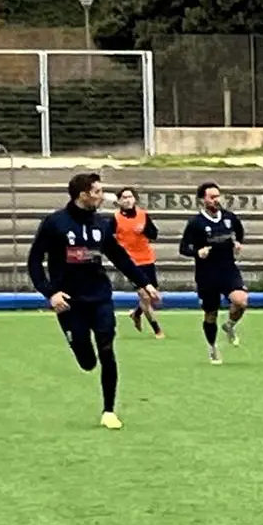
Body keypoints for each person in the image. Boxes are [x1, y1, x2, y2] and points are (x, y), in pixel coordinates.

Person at [27, 172, 159, 430]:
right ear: (83, 194)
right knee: (87, 361)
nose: (102, 196)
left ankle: (109, 410)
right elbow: (34, 261)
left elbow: (119, 257)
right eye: (97, 192)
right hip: (69, 301)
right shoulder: (55, 223)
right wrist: (50, 293)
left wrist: (144, 283)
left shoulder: (102, 224)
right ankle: (77, 345)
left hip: (99, 296)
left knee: (107, 348)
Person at [179, 181, 248, 364]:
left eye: (218, 196)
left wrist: (238, 243)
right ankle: (212, 348)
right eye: (212, 197)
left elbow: (239, 231)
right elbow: (183, 248)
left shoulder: (229, 217)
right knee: (211, 314)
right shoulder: (196, 223)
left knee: (241, 301)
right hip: (207, 274)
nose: (216, 200)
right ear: (203, 200)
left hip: (228, 269)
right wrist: (197, 252)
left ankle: (230, 326)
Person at [114, 186, 165, 338]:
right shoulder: (115, 218)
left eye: (130, 197)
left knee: (153, 296)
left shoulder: (143, 215)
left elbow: (154, 234)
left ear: (135, 199)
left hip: (147, 259)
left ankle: (136, 313)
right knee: (145, 296)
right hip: (130, 262)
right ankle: (157, 329)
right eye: (124, 197)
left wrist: (144, 230)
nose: (127, 200)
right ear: (119, 201)